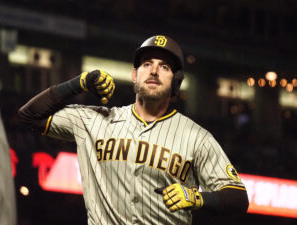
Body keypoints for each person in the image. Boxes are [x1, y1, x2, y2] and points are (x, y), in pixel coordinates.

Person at [18, 35, 249, 225]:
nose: (154, 71)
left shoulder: (197, 137)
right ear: (134, 75)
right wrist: (79, 83)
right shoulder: (95, 120)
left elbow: (239, 198)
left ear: (176, 82)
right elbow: (30, 115)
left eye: (164, 66)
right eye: (147, 64)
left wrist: (196, 197)